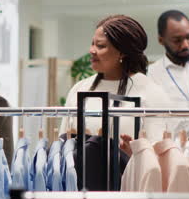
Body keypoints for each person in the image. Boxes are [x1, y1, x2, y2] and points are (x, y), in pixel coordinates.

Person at [60, 15, 169, 144]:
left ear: (122, 52)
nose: (91, 50)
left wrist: (133, 153)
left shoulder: (150, 92)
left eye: (100, 46)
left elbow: (157, 150)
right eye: (92, 44)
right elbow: (63, 141)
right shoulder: (81, 88)